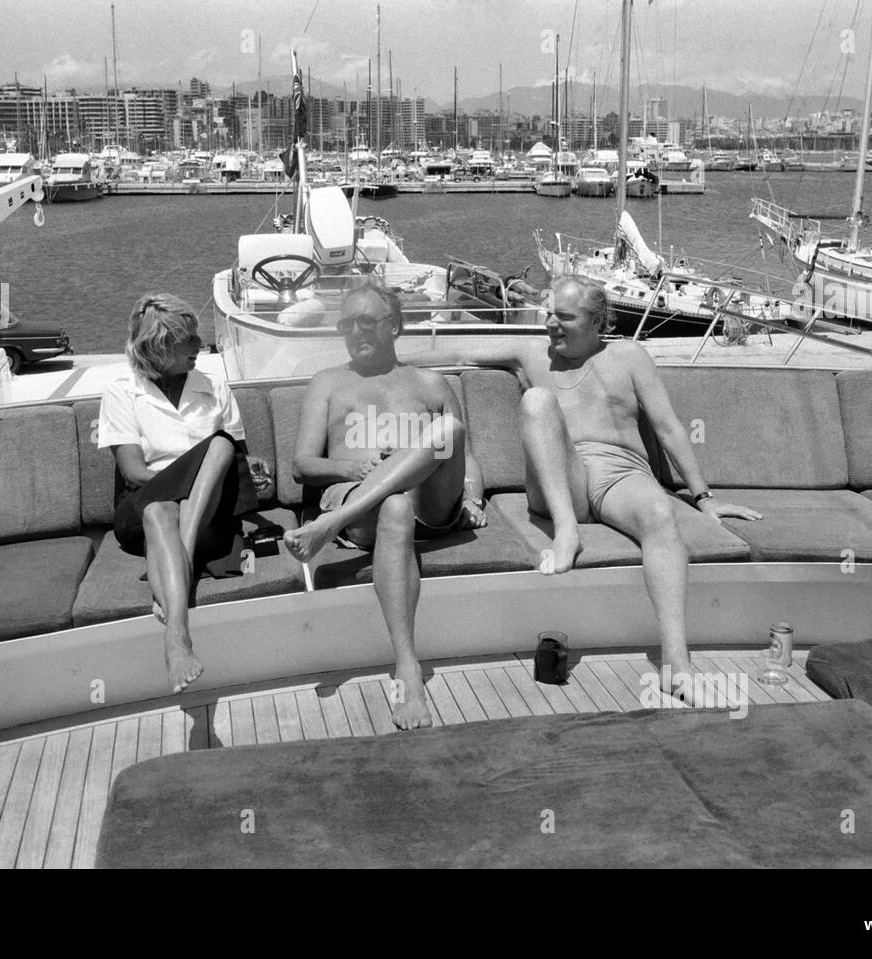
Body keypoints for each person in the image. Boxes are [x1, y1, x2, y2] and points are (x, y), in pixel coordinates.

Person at [410, 275, 762, 705]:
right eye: (548, 315)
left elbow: (669, 428)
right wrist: (377, 356)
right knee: (537, 402)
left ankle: (676, 666)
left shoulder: (629, 356)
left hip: (622, 475)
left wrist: (704, 498)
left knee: (659, 515)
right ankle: (566, 533)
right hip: (561, 479)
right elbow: (454, 349)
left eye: (564, 317)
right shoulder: (530, 355)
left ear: (597, 322)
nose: (551, 325)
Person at [282, 284, 486, 730]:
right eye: (346, 324)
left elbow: (465, 455)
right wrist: (354, 466)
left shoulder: (430, 383)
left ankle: (328, 524)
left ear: (393, 325)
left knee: (449, 427)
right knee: (393, 506)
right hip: (361, 501)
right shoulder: (328, 383)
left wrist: (473, 495)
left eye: (366, 322)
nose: (355, 332)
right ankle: (408, 670)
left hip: (430, 503)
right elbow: (302, 465)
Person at [98, 294, 259, 693]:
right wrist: (186, 477)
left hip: (207, 512)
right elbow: (134, 471)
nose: (200, 346)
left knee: (220, 448)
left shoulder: (214, 386)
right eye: (188, 340)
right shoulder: (121, 391)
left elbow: (237, 461)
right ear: (160, 346)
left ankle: (175, 634)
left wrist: (258, 471)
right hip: (140, 505)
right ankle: (180, 623)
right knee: (158, 508)